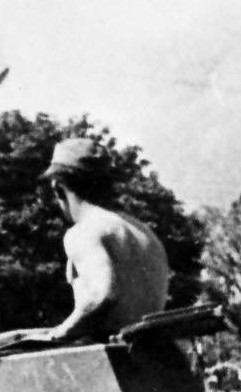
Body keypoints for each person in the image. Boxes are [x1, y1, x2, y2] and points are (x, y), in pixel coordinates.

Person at [32, 137, 169, 343]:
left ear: (57, 187)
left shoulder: (84, 232)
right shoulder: (144, 232)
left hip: (107, 360)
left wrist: (61, 332)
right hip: (153, 355)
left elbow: (101, 295)